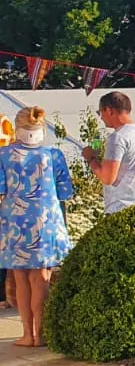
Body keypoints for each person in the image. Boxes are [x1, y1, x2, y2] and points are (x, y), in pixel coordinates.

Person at [1, 107, 74, 348]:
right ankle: (40, 334)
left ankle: (27, 334)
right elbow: (65, 192)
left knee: (20, 279)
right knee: (41, 278)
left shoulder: (4, 155)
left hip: (15, 222)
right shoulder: (53, 155)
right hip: (46, 222)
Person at [83, 91, 135, 214]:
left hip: (121, 208)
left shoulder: (118, 137)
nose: (101, 117)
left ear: (109, 110)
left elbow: (107, 178)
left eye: (100, 112)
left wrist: (90, 158)